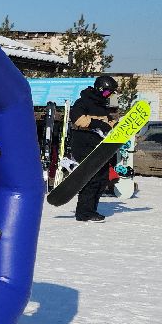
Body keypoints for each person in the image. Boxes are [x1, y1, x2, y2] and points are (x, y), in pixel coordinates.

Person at [65, 73, 120, 222]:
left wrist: (117, 126)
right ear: (100, 89)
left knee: (102, 178)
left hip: (98, 146)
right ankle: (84, 213)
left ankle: (92, 209)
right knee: (91, 178)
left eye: (110, 93)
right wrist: (98, 124)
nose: (109, 96)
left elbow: (108, 123)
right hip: (83, 144)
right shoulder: (83, 102)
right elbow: (77, 119)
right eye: (107, 92)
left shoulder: (102, 106)